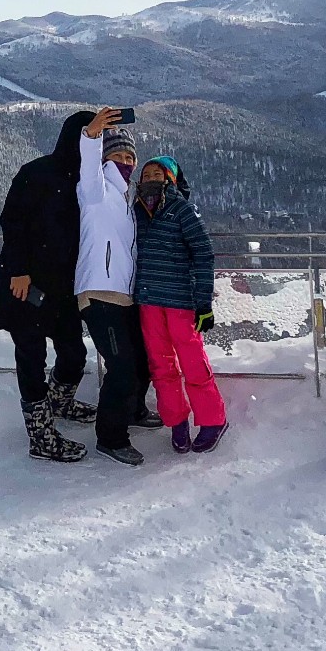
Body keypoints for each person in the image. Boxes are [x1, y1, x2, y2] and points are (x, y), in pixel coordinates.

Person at [0, 112, 97, 463]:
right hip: (27, 284)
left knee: (74, 352)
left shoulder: (90, 178)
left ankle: (60, 403)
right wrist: (19, 270)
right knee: (31, 355)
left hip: (63, 286)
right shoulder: (36, 172)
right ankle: (40, 435)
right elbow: (13, 221)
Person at [74, 107, 159, 466]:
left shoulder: (126, 201)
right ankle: (111, 437)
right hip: (97, 293)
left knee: (143, 362)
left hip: (125, 297)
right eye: (118, 155)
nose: (125, 161)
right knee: (122, 367)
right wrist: (92, 136)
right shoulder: (95, 191)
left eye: (130, 157)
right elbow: (89, 167)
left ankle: (134, 409)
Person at [134, 155, 226, 454]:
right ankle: (176, 421)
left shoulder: (182, 210)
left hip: (180, 302)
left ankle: (213, 419)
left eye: (156, 173)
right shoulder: (136, 210)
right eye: (145, 173)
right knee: (161, 367)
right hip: (148, 302)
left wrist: (204, 303)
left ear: (170, 179)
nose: (149, 178)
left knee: (193, 363)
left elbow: (203, 254)